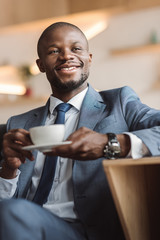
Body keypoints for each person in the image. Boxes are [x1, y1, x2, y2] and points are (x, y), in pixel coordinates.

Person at [0, 22, 160, 240]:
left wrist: (110, 143)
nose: (66, 56)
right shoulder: (18, 123)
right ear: (40, 65)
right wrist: (8, 170)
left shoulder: (120, 103)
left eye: (76, 49)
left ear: (89, 58)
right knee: (11, 213)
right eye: (54, 51)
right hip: (24, 225)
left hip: (92, 230)